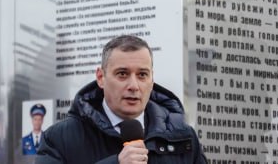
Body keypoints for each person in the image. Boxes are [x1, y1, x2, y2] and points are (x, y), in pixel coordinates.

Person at [36, 35, 207, 164]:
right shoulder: (58, 139)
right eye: (122, 74)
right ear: (101, 77)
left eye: (142, 75)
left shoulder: (184, 137)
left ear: (152, 79)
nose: (133, 85)